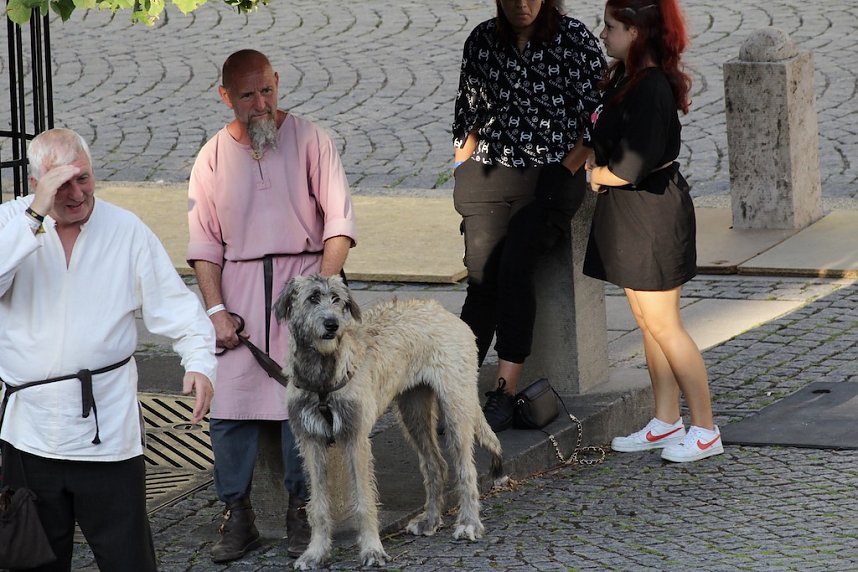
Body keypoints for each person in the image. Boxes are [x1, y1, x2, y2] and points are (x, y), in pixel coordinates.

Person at [0, 128, 216, 571]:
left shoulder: (126, 229)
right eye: (62, 184)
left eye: (84, 178)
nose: (77, 193)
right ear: (38, 183)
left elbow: (177, 307)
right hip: (28, 431)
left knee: (127, 559)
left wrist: (199, 363)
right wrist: (33, 219)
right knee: (32, 561)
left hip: (106, 433)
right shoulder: (11, 223)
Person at [187, 49, 357, 562]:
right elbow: (204, 247)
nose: (261, 104)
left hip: (301, 291)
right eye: (247, 95)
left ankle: (302, 511)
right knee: (228, 407)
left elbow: (339, 227)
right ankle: (238, 516)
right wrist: (217, 312)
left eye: (267, 90)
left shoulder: (312, 141)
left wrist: (320, 299)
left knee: (300, 407)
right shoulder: (211, 157)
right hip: (238, 294)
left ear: (277, 83)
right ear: (225, 96)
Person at [452, 0, 606, 432]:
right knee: (482, 277)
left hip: (551, 171)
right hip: (489, 170)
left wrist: (567, 168)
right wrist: (460, 170)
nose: (522, 3)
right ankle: (455, 386)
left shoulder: (573, 39)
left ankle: (503, 389)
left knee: (515, 265)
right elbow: (468, 115)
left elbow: (597, 113)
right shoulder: (482, 41)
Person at [583, 0, 723, 463]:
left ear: (636, 33)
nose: (602, 34)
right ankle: (666, 419)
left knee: (666, 326)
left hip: (653, 214)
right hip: (632, 216)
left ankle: (705, 428)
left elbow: (630, 166)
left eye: (611, 27)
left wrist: (596, 175)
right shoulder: (626, 76)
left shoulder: (651, 88)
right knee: (648, 323)